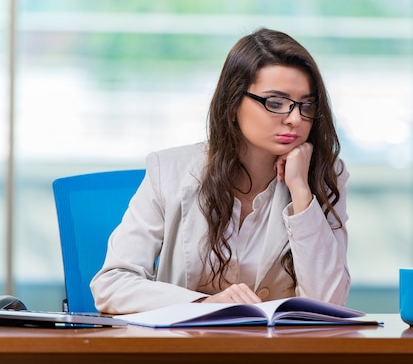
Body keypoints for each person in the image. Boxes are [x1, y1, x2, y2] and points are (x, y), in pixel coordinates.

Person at [90, 28, 350, 314]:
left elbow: (328, 303)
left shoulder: (325, 176)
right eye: (275, 103)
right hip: (185, 350)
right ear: (234, 101)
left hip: (278, 354)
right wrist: (204, 304)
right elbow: (111, 285)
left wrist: (301, 191)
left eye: (307, 105)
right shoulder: (169, 171)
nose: (295, 118)